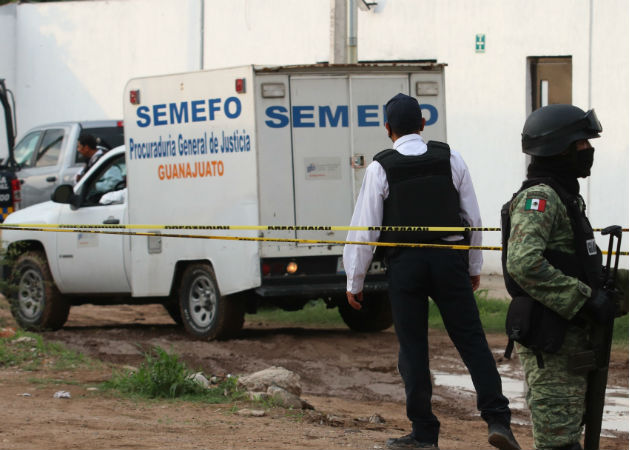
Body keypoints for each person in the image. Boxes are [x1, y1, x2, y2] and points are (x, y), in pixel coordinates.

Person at [343, 93, 520, 450]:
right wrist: (472, 266)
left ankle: (424, 432)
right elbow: (472, 218)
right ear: (424, 124)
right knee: (472, 341)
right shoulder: (450, 158)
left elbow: (365, 230)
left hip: (405, 265)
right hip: (448, 258)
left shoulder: (381, 167)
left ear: (388, 129)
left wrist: (354, 280)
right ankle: (498, 419)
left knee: (413, 348)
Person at [503, 104, 628, 450]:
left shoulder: (566, 197)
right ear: (559, 149)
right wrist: (585, 299)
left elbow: (573, 263)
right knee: (558, 443)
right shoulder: (540, 199)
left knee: (572, 435)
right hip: (552, 342)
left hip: (573, 338)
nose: (588, 151)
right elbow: (524, 264)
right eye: (582, 144)